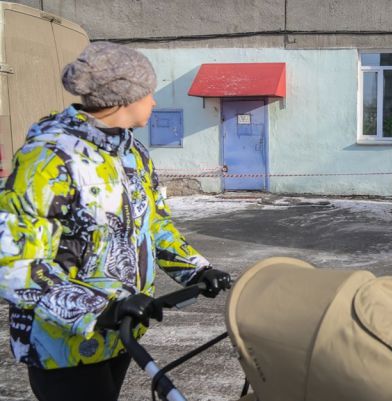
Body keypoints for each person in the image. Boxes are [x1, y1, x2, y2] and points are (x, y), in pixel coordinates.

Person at [0, 42, 231, 401]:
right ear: (124, 98)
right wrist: (101, 309)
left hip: (118, 333)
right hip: (63, 345)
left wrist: (198, 270)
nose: (153, 103)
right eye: (148, 93)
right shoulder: (48, 159)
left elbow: (153, 224)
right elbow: (15, 265)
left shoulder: (132, 153)